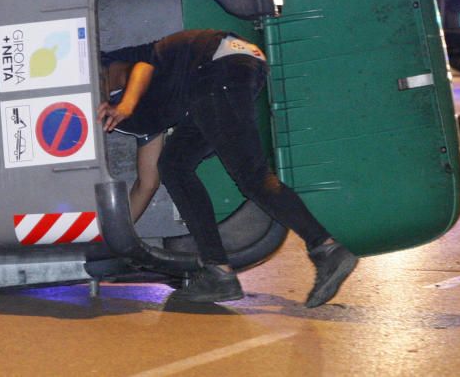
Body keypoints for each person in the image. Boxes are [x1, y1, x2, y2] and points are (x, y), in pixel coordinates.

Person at [98, 29, 358, 306]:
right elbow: (148, 181)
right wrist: (111, 238)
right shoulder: (134, 118)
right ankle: (217, 273)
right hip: (215, 77)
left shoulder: (106, 75)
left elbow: (142, 67)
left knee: (252, 176)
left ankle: (325, 248)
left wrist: (125, 105)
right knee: (174, 165)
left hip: (217, 66)